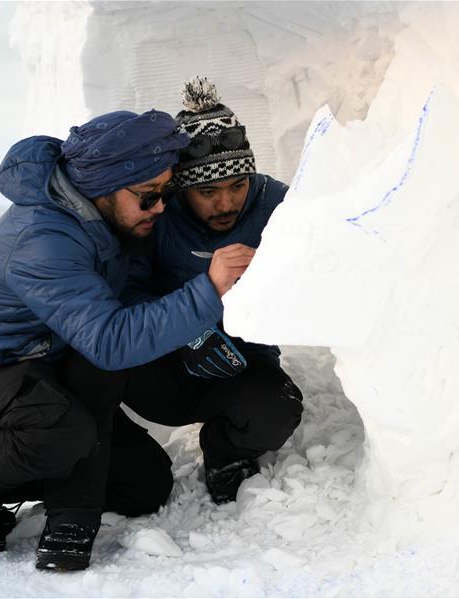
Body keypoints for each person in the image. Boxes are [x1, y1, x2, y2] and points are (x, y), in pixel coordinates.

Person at [0, 108, 255, 571]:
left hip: (47, 373)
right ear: (104, 188)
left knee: (144, 485)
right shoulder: (45, 238)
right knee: (62, 430)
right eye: (150, 197)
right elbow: (110, 341)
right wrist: (208, 289)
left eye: (167, 193)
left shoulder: (105, 220)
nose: (161, 208)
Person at [120, 77, 303, 505]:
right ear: (182, 188)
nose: (226, 204)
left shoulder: (278, 205)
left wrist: (274, 277)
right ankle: (118, 461)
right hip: (166, 355)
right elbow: (124, 294)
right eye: (208, 192)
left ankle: (225, 452)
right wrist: (188, 327)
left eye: (237, 186)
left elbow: (321, 274)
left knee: (277, 412)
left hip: (242, 359)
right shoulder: (156, 215)